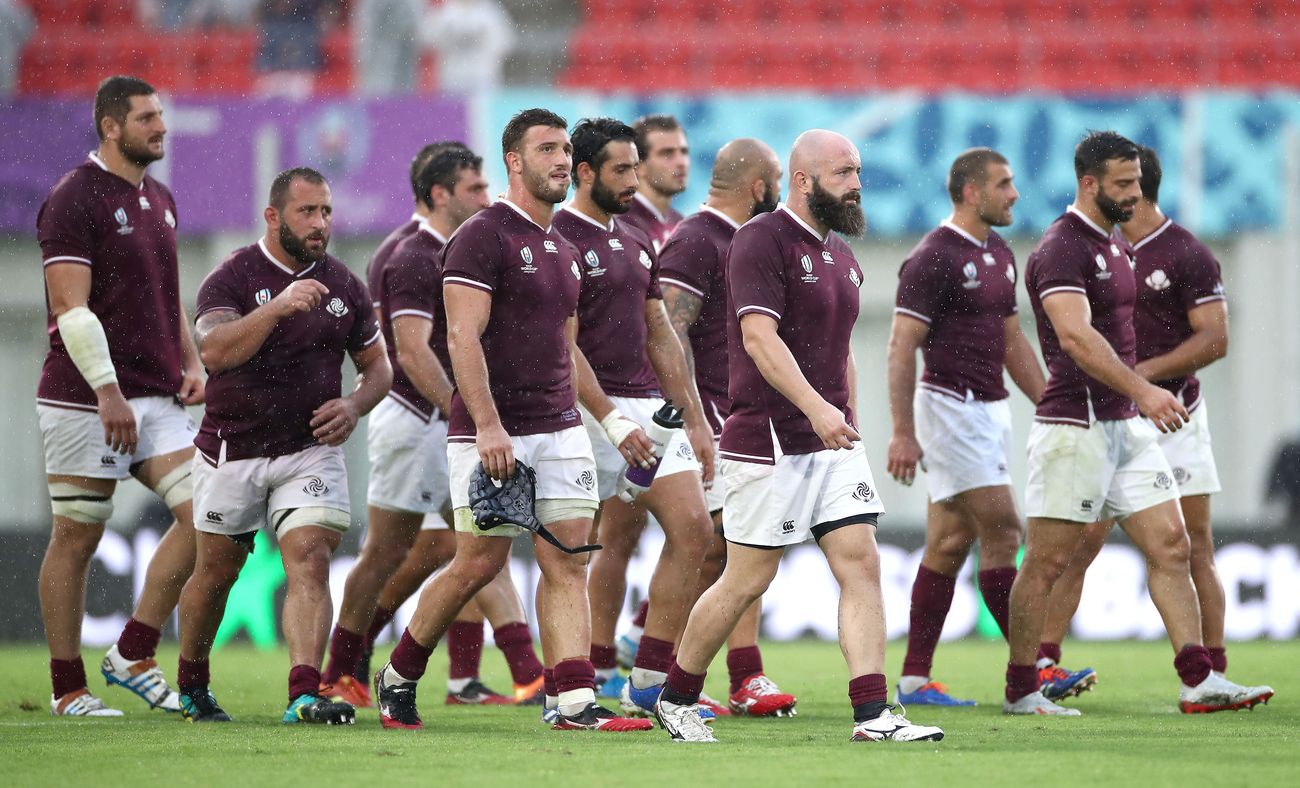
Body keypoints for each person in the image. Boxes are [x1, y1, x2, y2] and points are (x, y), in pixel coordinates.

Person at [653, 130, 944, 744]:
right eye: (843, 173)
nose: (856, 184)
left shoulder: (841, 254)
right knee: (746, 578)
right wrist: (816, 411)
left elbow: (840, 354)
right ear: (804, 180)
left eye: (858, 171)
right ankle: (677, 697)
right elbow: (760, 338)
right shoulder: (760, 241)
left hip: (830, 443)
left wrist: (849, 420)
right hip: (768, 439)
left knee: (860, 564)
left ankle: (872, 715)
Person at [372, 108, 652, 732]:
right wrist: (490, 425)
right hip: (491, 432)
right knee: (479, 564)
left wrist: (602, 420)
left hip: (560, 429)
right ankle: (399, 673)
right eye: (546, 149)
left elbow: (567, 346)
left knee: (569, 561)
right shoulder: (481, 235)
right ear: (514, 161)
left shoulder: (564, 245)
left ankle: (573, 700)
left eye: (564, 150)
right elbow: (463, 339)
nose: (559, 160)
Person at [1005, 131, 1270, 716]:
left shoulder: (1115, 245)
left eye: (1138, 182)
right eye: (1123, 184)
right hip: (1075, 426)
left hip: (1126, 425)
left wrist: (1137, 398)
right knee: (1048, 560)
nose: (1135, 193)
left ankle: (1198, 679)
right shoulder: (1061, 249)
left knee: (1174, 546)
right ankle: (1022, 685)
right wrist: (1144, 388)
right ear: (1089, 183)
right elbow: (1075, 338)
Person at [323, 144, 544, 708]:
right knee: (387, 553)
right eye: (473, 188)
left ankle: (524, 671)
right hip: (418, 419)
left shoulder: (444, 248)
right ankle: (340, 669)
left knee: (481, 544)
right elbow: (413, 353)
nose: (484, 196)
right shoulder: (416, 255)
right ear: (440, 194)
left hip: (444, 418)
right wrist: (462, 408)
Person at [173, 167, 392, 724]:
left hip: (307, 451)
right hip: (232, 447)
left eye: (325, 212)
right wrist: (277, 307)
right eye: (306, 212)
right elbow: (215, 353)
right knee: (216, 573)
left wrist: (353, 406)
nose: (320, 224)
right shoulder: (231, 278)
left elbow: (378, 370)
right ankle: (192, 682)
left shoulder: (344, 284)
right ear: (273, 217)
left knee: (311, 558)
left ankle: (303, 691)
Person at [887, 148, 1089, 706]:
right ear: (971, 192)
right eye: (1004, 184)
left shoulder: (999, 252)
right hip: (950, 406)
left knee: (950, 543)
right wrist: (903, 431)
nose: (1015, 194)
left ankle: (913, 679)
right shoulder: (932, 257)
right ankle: (1034, 669)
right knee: (1004, 529)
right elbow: (902, 348)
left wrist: (1052, 401)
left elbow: (1011, 341)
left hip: (990, 409)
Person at [37, 75, 204, 718]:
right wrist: (107, 390)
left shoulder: (159, 197)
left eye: (160, 115)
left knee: (212, 515)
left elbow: (168, 293)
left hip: (159, 396)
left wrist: (188, 360)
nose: (160, 127)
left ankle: (133, 650)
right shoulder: (72, 198)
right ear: (111, 126)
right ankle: (66, 688)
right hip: (86, 397)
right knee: (77, 535)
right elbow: (69, 310)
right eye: (147, 118)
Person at [551, 117, 715, 719]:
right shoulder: (558, 236)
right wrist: (610, 417)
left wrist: (693, 418)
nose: (633, 178)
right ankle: (568, 679)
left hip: (648, 407)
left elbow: (661, 333)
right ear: (585, 172)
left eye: (634, 167)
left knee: (695, 530)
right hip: (579, 408)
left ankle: (647, 681)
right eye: (621, 168)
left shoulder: (637, 237)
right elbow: (562, 346)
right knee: (570, 552)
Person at [656, 137, 798, 716]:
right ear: (759, 187)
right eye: (778, 185)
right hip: (708, 415)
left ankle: (733, 675)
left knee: (736, 546)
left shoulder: (749, 242)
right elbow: (669, 331)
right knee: (726, 545)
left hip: (742, 414)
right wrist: (691, 414)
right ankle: (673, 672)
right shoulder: (697, 239)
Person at [608, 112, 690, 667]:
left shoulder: (676, 225)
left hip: (658, 400)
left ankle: (637, 647)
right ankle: (596, 662)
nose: (678, 161)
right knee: (614, 536)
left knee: (694, 532)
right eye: (664, 153)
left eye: (683, 151)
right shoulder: (620, 220)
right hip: (610, 397)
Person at [620, 114, 689, 253]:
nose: (681, 162)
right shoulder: (621, 224)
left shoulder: (680, 222)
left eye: (684, 152)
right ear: (638, 166)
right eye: (667, 153)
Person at [419, 0, 515, 93]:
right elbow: (427, 39)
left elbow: (506, 42)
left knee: (481, 106)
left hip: (483, 77)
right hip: (452, 78)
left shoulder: (490, 11)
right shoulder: (445, 10)